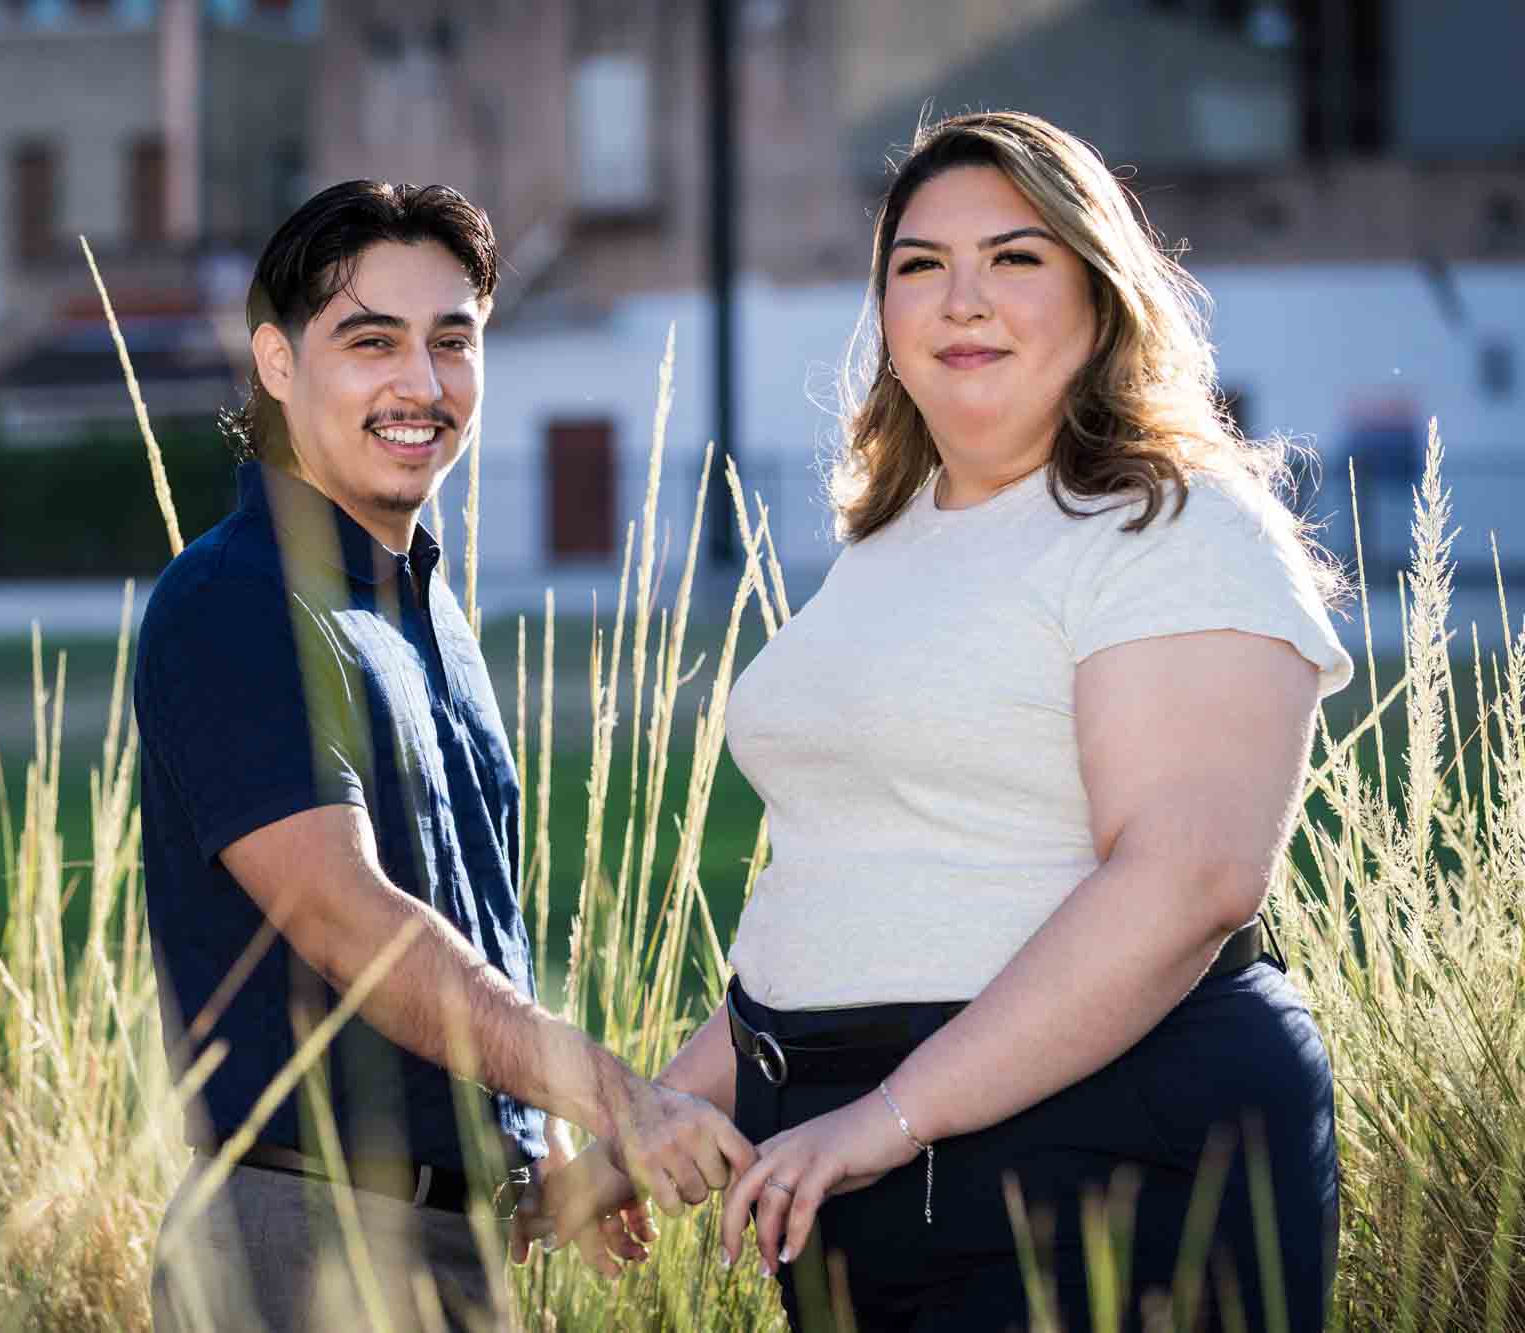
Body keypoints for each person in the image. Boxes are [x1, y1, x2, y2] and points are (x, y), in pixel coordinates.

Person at [542, 111, 1351, 1331]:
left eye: (1014, 259)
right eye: (920, 266)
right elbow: (836, 898)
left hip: (1103, 1156)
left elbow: (1191, 878)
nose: (961, 300)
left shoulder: (1176, 526)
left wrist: (888, 1117)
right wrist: (655, 1117)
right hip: (854, 1175)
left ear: (1100, 291)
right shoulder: (890, 539)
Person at [138, 180, 752, 1333]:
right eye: (370, 342)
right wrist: (618, 1094)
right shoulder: (234, 599)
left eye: (451, 343)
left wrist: (535, 1126)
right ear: (276, 362)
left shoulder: (426, 610)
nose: (420, 386)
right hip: (306, 1241)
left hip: (455, 1240)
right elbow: (348, 923)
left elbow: (461, 908)